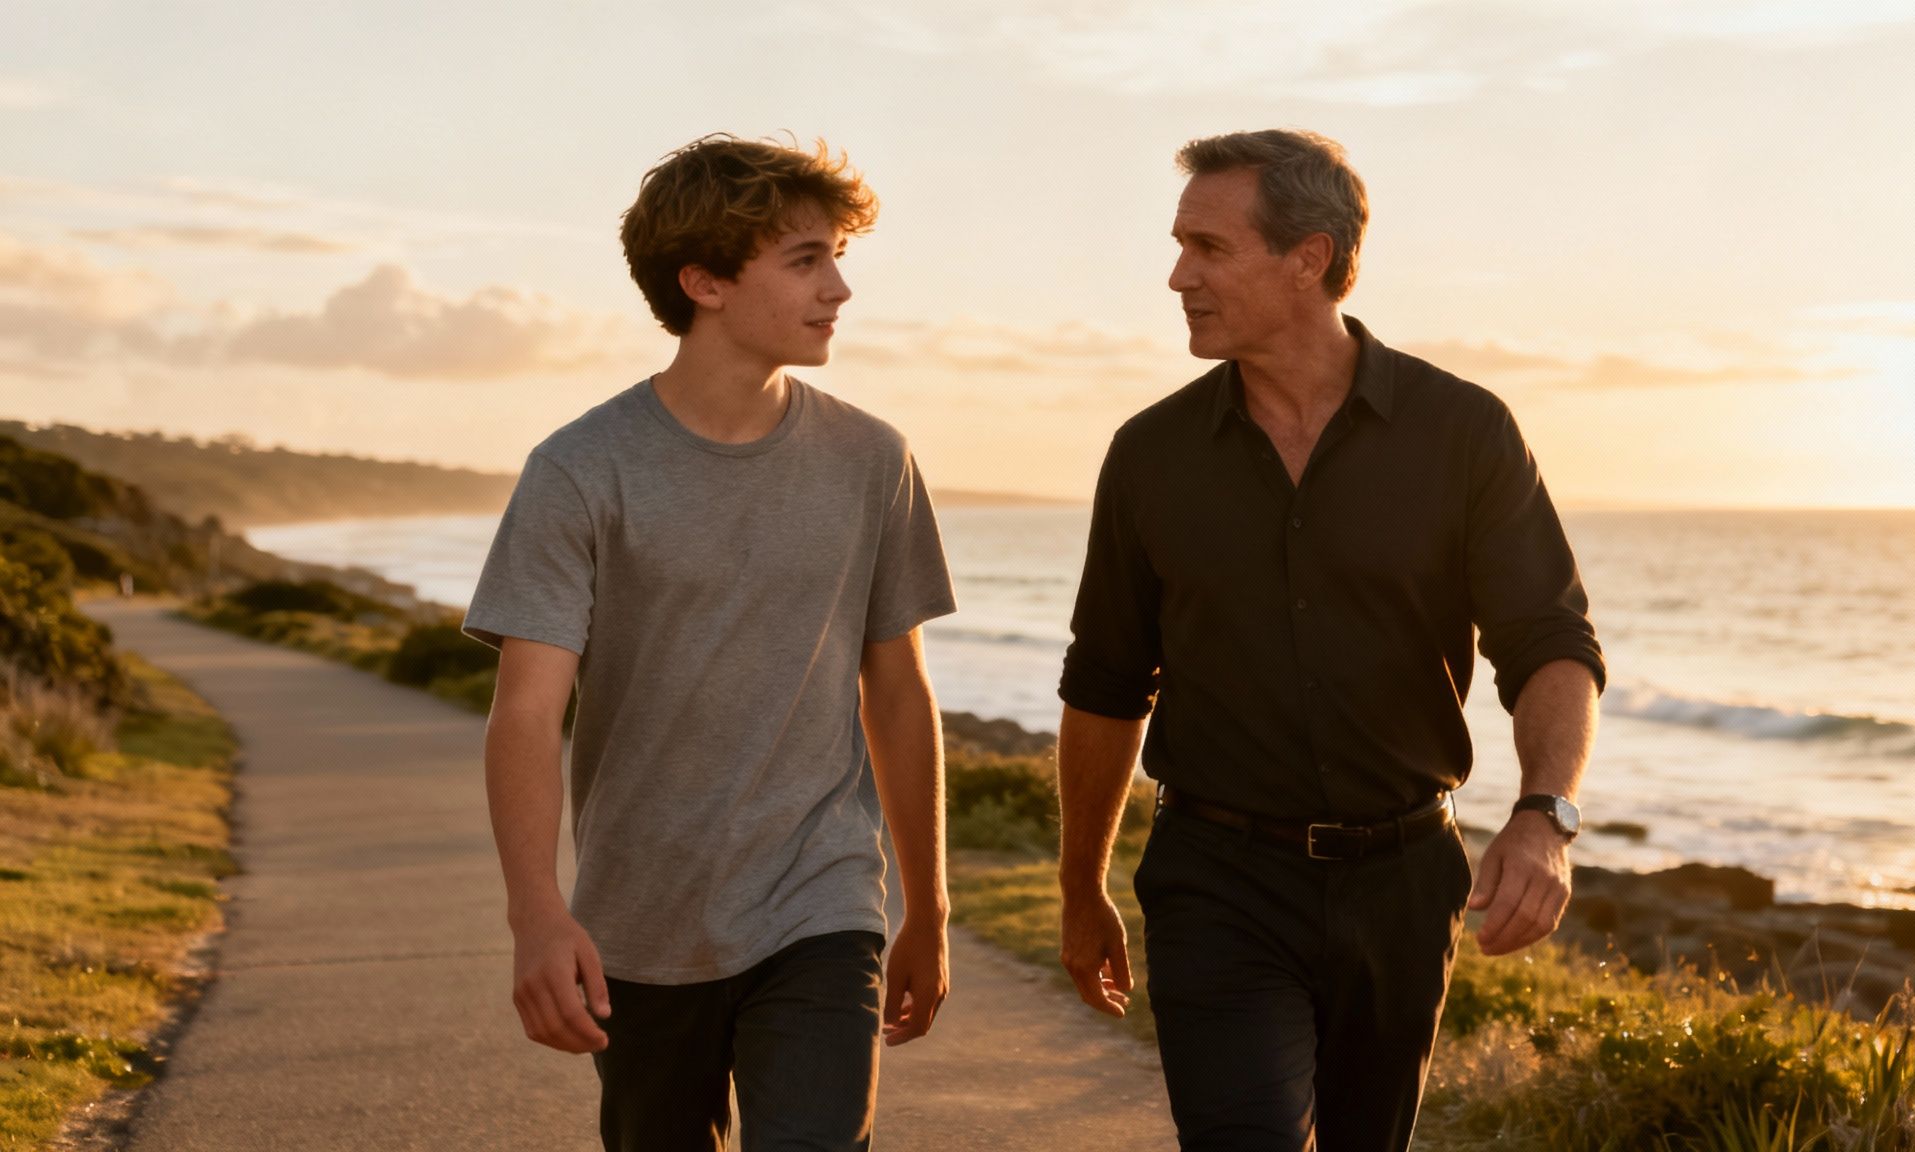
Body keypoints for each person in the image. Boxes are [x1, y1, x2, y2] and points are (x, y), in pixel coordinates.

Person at [1055, 129, 1605, 1151]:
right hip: (1215, 879)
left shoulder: (1463, 432)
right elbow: (1106, 682)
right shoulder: (1149, 456)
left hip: (1399, 884)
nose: (1177, 275)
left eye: (1207, 248)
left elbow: (1547, 641)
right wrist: (1079, 883)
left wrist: (1543, 818)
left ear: (1306, 257)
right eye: (1180, 247)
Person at [461, 133, 957, 1152]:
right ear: (704, 281)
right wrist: (535, 915)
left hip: (819, 902)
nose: (840, 289)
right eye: (806, 260)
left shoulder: (872, 459)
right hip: (641, 922)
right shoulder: (581, 470)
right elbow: (525, 709)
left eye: (836, 256)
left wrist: (929, 904)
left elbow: (897, 692)